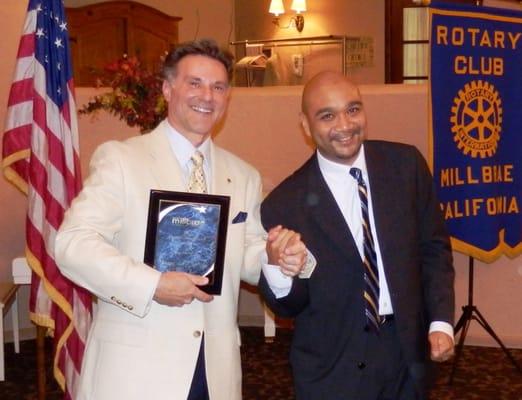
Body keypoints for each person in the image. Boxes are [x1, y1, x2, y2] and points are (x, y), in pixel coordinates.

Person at [55, 39, 306, 400]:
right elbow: (72, 243)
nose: (207, 95)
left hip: (215, 371)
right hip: (136, 372)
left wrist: (272, 256)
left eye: (218, 87)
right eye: (195, 83)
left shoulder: (243, 175)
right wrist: (152, 284)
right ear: (167, 88)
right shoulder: (122, 160)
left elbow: (246, 255)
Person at [258, 71, 455, 400]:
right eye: (327, 115)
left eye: (353, 109)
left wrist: (440, 323)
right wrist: (280, 269)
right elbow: (288, 307)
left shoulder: (406, 166)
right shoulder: (284, 203)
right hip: (334, 369)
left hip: (407, 356)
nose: (345, 125)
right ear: (305, 125)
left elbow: (433, 249)